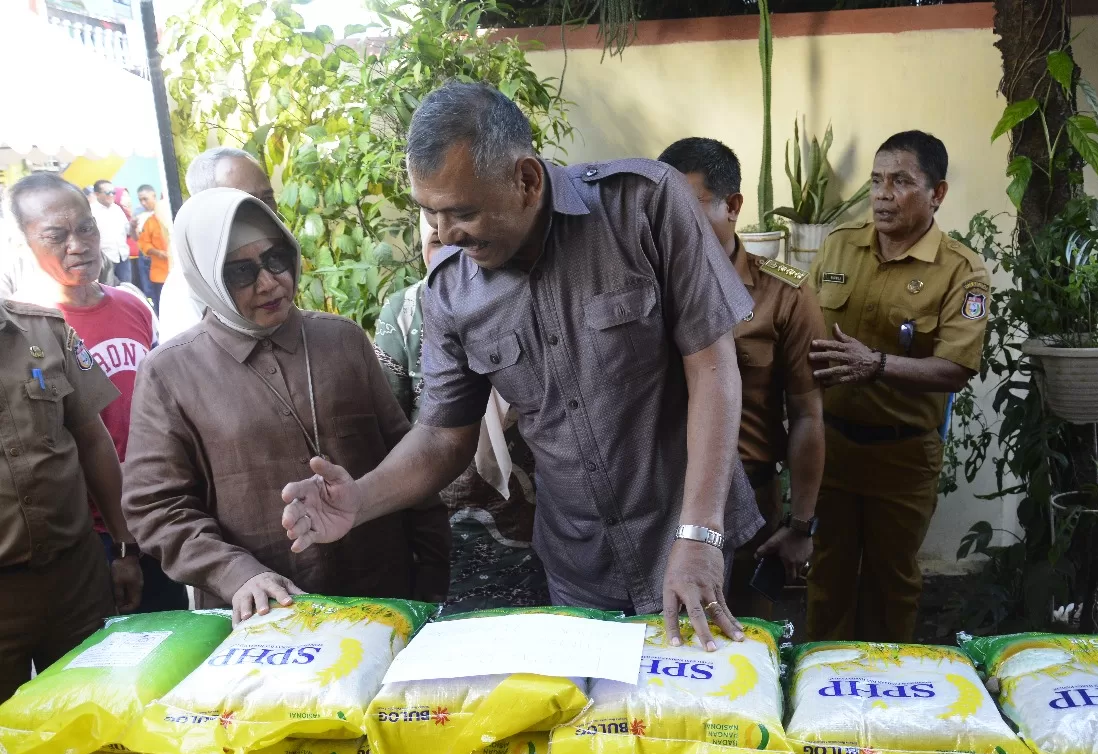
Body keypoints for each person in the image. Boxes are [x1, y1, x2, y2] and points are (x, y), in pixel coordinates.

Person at [281, 81, 762, 650]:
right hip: (581, 570)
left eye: (461, 213)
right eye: (429, 213)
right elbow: (441, 435)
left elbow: (711, 367)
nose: (442, 235)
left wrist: (700, 534)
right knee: (598, 732)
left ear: (527, 180)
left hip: (696, 545)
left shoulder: (644, 205)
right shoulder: (451, 292)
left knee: (711, 724)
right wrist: (358, 499)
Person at [123, 188, 452, 623]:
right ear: (204, 276)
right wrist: (236, 574)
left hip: (384, 598)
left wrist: (431, 575)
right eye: (240, 271)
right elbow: (157, 508)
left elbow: (406, 459)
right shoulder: (170, 372)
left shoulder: (342, 340)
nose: (269, 281)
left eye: (275, 258)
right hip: (265, 619)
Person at [805, 131, 991, 643]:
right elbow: (802, 323)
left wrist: (876, 364)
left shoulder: (961, 270)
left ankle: (889, 701)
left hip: (903, 457)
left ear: (938, 193)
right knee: (827, 579)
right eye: (877, 180)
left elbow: (955, 368)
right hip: (833, 449)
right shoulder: (841, 246)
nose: (883, 194)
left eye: (901, 181)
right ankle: (820, 695)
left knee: (892, 586)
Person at [658, 137, 825, 617]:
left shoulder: (783, 295)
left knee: (741, 641)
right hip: (660, 497)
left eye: (687, 209)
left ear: (732, 206)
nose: (669, 227)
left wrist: (801, 524)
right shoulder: (646, 286)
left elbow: (808, 416)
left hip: (749, 503)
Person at [9, 174, 185, 613]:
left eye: (86, 227)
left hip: (158, 508)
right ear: (24, 242)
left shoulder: (132, 305)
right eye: (56, 235)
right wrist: (118, 541)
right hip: (94, 534)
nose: (78, 244)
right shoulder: (29, 332)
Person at [1, 205, 145, 699]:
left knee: (98, 715)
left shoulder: (44, 332)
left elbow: (93, 441)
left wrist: (125, 547)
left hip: (75, 579)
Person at [373, 216, 545, 609]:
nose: (450, 256)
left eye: (462, 243)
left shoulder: (529, 295)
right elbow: (391, 428)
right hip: (443, 530)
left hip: (538, 529)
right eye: (435, 242)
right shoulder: (403, 314)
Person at [158, 147, 277, 344]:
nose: (263, 212)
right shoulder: (188, 288)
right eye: (244, 203)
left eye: (268, 199)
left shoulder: (277, 262)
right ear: (206, 209)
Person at [91, 180, 132, 284]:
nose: (112, 195)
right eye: (108, 192)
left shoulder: (117, 209)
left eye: (113, 192)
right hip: (106, 259)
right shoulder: (91, 212)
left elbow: (128, 231)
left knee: (126, 289)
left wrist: (134, 225)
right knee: (110, 290)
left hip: (123, 256)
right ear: (97, 194)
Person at [136, 184, 169, 309]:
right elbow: (143, 243)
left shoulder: (173, 217)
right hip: (160, 275)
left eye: (146, 199)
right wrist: (157, 252)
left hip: (177, 273)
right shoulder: (150, 221)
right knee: (162, 307)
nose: (143, 203)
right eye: (141, 200)